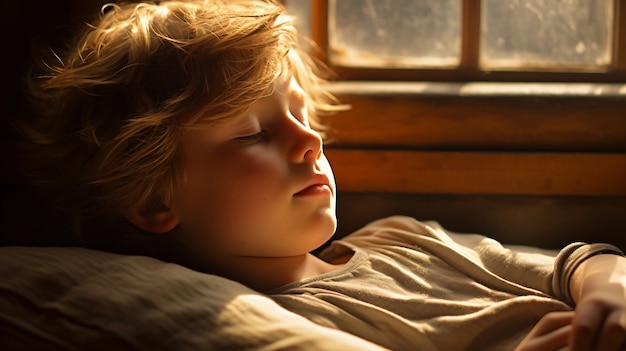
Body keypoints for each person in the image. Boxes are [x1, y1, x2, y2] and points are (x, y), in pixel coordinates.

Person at [17, 0, 626, 350]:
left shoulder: (405, 237)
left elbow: (577, 262)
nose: (310, 141)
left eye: (302, 114)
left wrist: (608, 290)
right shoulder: (279, 327)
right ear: (153, 201)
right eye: (252, 133)